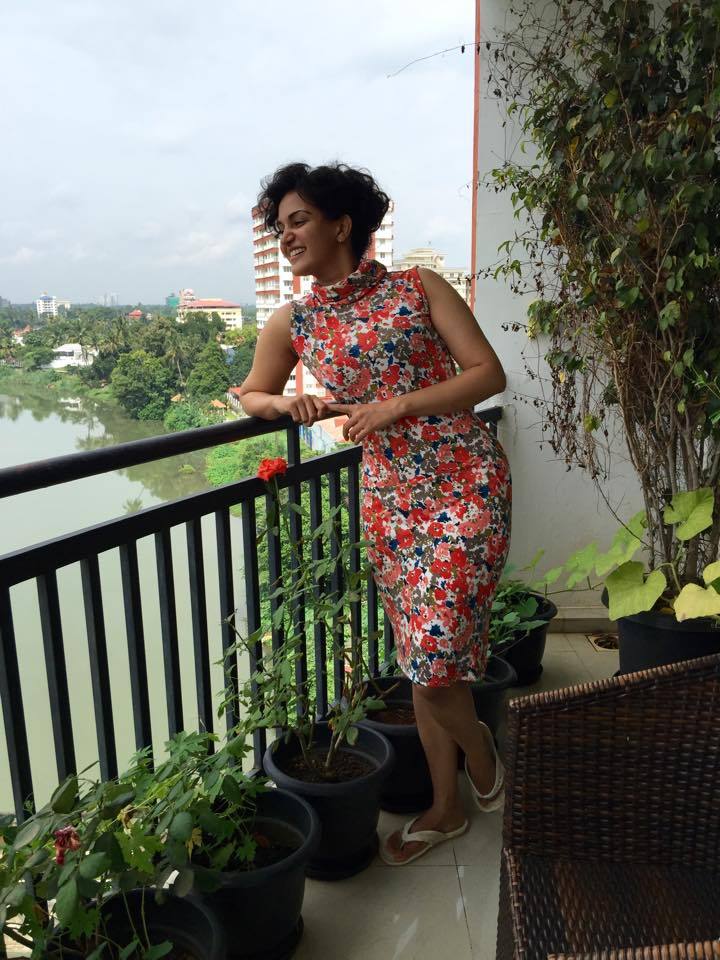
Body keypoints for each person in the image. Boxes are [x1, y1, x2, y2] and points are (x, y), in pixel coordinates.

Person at [238, 161, 512, 865]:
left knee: (434, 662)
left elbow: (488, 374)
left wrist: (398, 406)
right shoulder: (294, 320)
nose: (285, 236)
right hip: (391, 499)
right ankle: (446, 809)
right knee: (423, 659)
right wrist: (286, 403)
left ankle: (482, 756)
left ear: (341, 224)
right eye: (278, 226)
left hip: (466, 483)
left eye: (298, 220)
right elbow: (252, 393)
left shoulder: (419, 287)